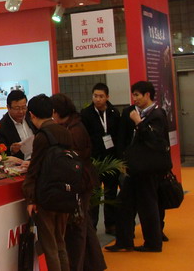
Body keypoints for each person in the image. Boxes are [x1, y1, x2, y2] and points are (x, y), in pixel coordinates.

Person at [106, 81, 170, 253]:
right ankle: (124, 241)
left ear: (147, 95)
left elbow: (154, 140)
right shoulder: (136, 113)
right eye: (133, 95)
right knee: (124, 203)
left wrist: (139, 123)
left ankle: (153, 243)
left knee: (148, 205)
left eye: (137, 95)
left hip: (148, 168)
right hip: (136, 168)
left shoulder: (157, 115)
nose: (134, 98)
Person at [52, 93, 106, 271]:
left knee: (78, 229)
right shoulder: (73, 125)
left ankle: (78, 266)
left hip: (80, 182)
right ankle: (94, 264)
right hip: (83, 180)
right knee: (85, 225)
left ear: (57, 112)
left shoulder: (73, 130)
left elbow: (74, 158)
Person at [22, 94, 73, 271]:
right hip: (65, 193)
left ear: (31, 115)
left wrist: (30, 199)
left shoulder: (42, 136)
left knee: (50, 245)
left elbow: (35, 170)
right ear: (52, 111)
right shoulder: (65, 132)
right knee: (60, 242)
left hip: (47, 196)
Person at [80, 83, 122, 234]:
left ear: (107, 97)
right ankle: (92, 226)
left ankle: (111, 224)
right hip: (94, 161)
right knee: (94, 194)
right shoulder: (85, 114)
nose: (97, 99)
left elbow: (118, 135)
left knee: (111, 193)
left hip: (111, 159)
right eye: (95, 96)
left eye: (101, 96)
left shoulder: (114, 112)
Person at [0, 90, 36, 160]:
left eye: (24, 107)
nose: (21, 111)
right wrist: (11, 150)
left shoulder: (31, 115)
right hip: (20, 163)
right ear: (8, 107)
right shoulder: (1, 127)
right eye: (17, 108)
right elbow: (1, 153)